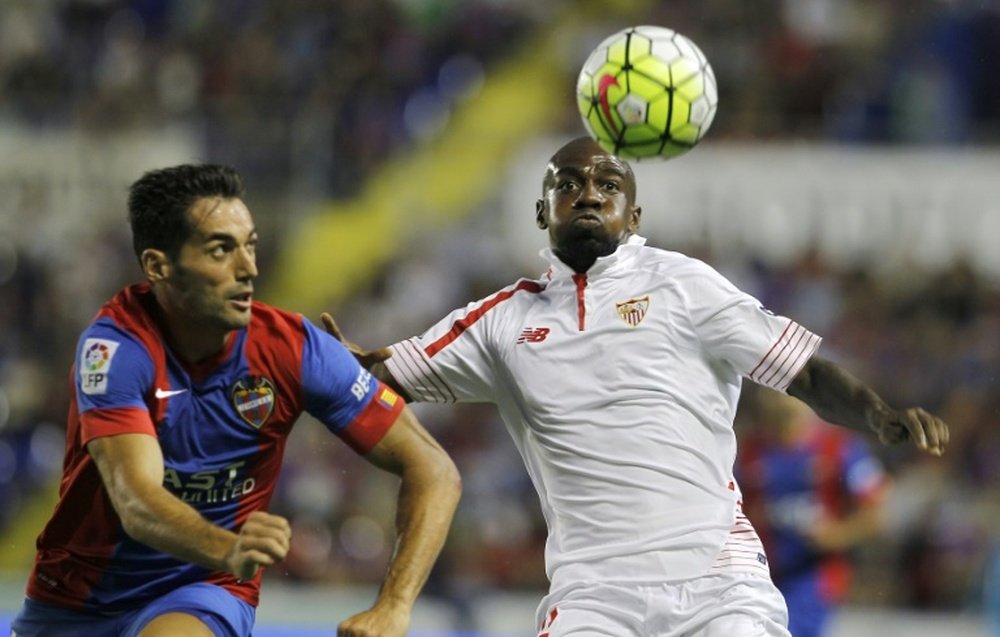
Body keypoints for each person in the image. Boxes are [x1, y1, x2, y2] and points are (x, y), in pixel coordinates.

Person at [322, 136, 949, 636]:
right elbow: (376, 378)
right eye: (568, 185)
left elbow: (804, 372)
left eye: (608, 185)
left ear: (634, 214)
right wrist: (323, 362)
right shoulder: (498, 322)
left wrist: (877, 414)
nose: (588, 194)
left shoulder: (685, 285)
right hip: (593, 597)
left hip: (718, 582)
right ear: (543, 211)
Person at [11, 164, 461, 637]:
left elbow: (434, 469)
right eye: (221, 249)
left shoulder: (295, 350)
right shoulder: (115, 351)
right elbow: (137, 502)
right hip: (73, 599)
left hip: (199, 589)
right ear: (157, 265)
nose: (249, 268)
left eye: (250, 245)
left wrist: (394, 606)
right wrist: (228, 546)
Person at [736, 389, 889, 637]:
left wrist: (838, 535)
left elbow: (875, 511)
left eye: (786, 390)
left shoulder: (839, 447)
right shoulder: (749, 451)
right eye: (771, 392)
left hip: (814, 576)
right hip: (759, 572)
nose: (778, 399)